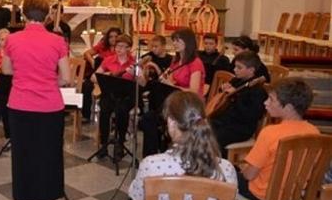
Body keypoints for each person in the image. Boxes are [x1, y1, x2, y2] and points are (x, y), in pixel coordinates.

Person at [1, 0, 71, 200]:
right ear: (48, 15)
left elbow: (6, 70)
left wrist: (27, 75)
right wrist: (48, 81)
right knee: (51, 154)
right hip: (50, 106)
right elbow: (66, 78)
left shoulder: (12, 39)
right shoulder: (57, 41)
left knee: (24, 155)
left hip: (20, 105)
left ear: (23, 14)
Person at [238, 78, 319, 200]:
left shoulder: (270, 133)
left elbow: (249, 175)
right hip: (292, 197)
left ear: (288, 107)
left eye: (271, 99)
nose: (265, 102)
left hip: (262, 195)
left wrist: (244, 168)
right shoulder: (315, 132)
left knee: (227, 173)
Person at [139, 28, 206, 157]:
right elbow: (166, 77)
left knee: (150, 119)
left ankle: (155, 154)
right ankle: (152, 155)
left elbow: (194, 91)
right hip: (175, 100)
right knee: (149, 118)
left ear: (188, 42)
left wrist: (171, 84)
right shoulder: (176, 60)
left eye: (178, 41)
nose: (174, 43)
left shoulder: (195, 63)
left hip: (189, 105)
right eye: (174, 40)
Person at [210, 50, 267, 156]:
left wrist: (235, 96)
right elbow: (224, 98)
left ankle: (220, 162)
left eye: (239, 68)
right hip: (225, 121)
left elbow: (252, 115)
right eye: (235, 66)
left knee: (214, 138)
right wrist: (223, 89)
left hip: (241, 128)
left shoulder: (258, 91)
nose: (235, 70)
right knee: (200, 129)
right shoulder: (237, 81)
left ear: (251, 70)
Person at [93, 34, 135, 160]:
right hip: (110, 94)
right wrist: (108, 74)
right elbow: (93, 77)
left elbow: (143, 83)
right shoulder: (108, 60)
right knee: (104, 109)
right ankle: (104, 143)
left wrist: (136, 75)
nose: (119, 49)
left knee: (122, 110)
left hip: (126, 96)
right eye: (117, 46)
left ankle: (120, 143)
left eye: (123, 46)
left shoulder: (134, 62)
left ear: (129, 48)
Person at [81, 27, 121, 123]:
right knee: (86, 85)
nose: (113, 39)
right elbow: (87, 53)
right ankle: (86, 114)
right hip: (98, 73)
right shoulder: (102, 46)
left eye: (116, 36)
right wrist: (92, 61)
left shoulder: (121, 49)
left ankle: (112, 115)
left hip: (112, 76)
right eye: (111, 37)